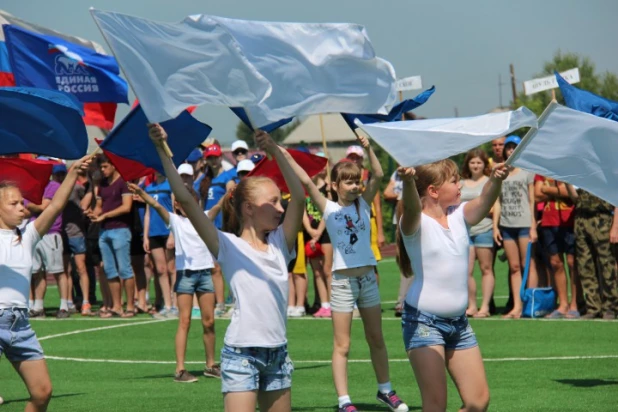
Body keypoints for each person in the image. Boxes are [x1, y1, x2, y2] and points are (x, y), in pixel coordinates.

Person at [149, 124, 304, 412]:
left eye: (281, 203)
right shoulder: (227, 245)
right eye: (273, 202)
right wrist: (161, 149)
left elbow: (300, 195)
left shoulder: (281, 243)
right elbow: (184, 199)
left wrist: (274, 152)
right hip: (241, 355)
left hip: (278, 355)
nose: (281, 209)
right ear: (248, 208)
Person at [288, 136, 408, 412]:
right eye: (348, 182)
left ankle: (385, 390)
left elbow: (377, 173)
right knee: (342, 344)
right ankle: (344, 401)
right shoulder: (328, 207)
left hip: (367, 280)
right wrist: (282, 153)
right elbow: (306, 181)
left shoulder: (363, 204)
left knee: (376, 338)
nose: (355, 186)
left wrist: (368, 147)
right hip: (342, 282)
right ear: (334, 185)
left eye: (357, 181)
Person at [397, 159, 509, 412]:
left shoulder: (459, 215)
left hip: (459, 324)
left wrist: (497, 179)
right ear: (433, 191)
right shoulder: (414, 222)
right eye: (454, 180)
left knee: (477, 402)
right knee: (435, 405)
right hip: (423, 324)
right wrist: (406, 182)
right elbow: (413, 207)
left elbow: (484, 201)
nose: (460, 185)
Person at [0, 156, 90, 412]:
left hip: (21, 325)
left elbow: (55, 206)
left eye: (22, 202)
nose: (22, 207)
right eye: (14, 203)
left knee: (42, 392)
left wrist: (72, 173)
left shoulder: (28, 236)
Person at [129, 182, 223, 381]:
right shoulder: (175, 221)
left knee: (209, 321)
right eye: (178, 203)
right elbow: (156, 206)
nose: (178, 205)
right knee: (185, 321)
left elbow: (216, 208)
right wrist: (142, 194)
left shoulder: (204, 217)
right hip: (186, 276)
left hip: (205, 273)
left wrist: (229, 195)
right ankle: (180, 369)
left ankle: (211, 365)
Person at [493, 136, 538, 319]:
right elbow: (497, 202)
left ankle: (531, 305)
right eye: (508, 147)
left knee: (527, 264)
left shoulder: (527, 171)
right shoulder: (501, 172)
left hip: (524, 223)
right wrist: (496, 227)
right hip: (507, 224)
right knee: (513, 267)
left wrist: (533, 225)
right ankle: (516, 307)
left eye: (514, 147)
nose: (511, 150)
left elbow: (532, 200)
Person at [89, 155, 136, 318]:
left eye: (105, 167)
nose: (102, 170)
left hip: (120, 230)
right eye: (101, 167)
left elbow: (126, 207)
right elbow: (99, 206)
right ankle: (116, 306)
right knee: (109, 270)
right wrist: (93, 214)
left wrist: (105, 216)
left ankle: (130, 305)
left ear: (114, 166)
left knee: (125, 269)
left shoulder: (124, 182)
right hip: (104, 231)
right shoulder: (102, 184)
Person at [566, 186, 618, 319]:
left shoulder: (606, 171)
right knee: (585, 266)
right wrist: (566, 182)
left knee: (607, 265)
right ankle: (593, 307)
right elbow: (576, 199)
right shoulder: (581, 172)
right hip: (581, 220)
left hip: (602, 219)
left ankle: (610, 307)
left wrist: (615, 227)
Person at [27, 164, 72, 319]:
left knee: (58, 271)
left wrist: (24, 201)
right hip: (35, 233)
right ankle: (38, 307)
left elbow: (43, 207)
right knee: (37, 272)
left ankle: (64, 306)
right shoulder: (34, 185)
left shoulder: (53, 186)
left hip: (51, 232)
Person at [534, 175, 579, 318]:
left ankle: (575, 304)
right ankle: (563, 304)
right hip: (548, 221)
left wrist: (546, 189)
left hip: (570, 220)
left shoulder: (570, 170)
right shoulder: (541, 171)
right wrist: (558, 190)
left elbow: (571, 194)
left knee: (573, 263)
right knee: (556, 263)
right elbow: (537, 195)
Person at [201, 143, 238, 317]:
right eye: (210, 158)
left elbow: (231, 199)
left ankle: (235, 301)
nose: (213, 160)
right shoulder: (204, 180)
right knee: (214, 268)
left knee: (230, 266)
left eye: (215, 157)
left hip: (224, 227)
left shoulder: (227, 178)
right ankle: (221, 303)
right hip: (209, 227)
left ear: (220, 157)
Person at [460, 149, 495, 318]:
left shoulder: (488, 182)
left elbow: (494, 205)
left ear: (484, 164)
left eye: (479, 162)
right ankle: (472, 305)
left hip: (484, 229)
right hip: (465, 231)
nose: (475, 165)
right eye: (472, 162)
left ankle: (485, 307)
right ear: (467, 164)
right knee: (466, 271)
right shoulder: (461, 183)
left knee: (486, 268)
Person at [144, 172, 178, 318]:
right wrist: (145, 236)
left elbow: (174, 211)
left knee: (172, 269)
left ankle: (176, 305)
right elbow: (147, 213)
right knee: (160, 269)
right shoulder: (149, 188)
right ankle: (167, 304)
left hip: (167, 231)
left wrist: (172, 233)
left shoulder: (170, 185)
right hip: (154, 233)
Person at [303, 164, 333, 318]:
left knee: (327, 270)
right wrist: (310, 230)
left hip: (326, 233)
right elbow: (303, 211)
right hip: (311, 234)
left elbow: (328, 211)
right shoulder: (306, 190)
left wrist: (318, 232)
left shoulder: (327, 189)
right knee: (316, 271)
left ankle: (333, 304)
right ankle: (324, 305)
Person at [61, 166, 91, 315]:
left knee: (81, 268)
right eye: (56, 174)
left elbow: (86, 203)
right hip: (61, 233)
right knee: (65, 269)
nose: (58, 177)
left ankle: (86, 302)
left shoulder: (77, 188)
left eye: (61, 174)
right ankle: (68, 302)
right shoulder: (55, 190)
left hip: (76, 233)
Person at [384, 167, 410, 317]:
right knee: (403, 261)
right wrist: (400, 195)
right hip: (399, 221)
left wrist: (399, 195)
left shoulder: (419, 170)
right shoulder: (397, 174)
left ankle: (405, 301)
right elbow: (387, 192)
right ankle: (402, 301)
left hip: (414, 220)